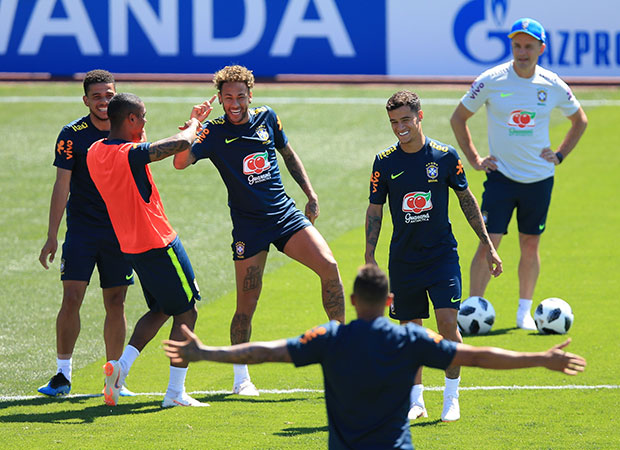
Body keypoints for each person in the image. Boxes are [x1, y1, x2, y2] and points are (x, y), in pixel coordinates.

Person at [164, 264, 586, 449]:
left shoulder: (330, 337)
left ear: (351, 299)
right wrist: (540, 359)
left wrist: (206, 352)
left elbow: (267, 351)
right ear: (389, 300)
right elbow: (476, 356)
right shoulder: (409, 340)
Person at [173, 65, 345, 396]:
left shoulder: (267, 117)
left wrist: (310, 193)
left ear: (250, 95)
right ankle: (241, 379)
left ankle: (340, 347)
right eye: (228, 98)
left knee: (330, 267)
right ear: (220, 100)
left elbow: (288, 153)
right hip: (249, 228)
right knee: (246, 305)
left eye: (240, 96)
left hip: (284, 215)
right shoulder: (213, 132)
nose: (235, 103)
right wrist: (194, 125)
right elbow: (180, 163)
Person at [364, 90, 502, 422]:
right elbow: (374, 211)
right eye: (394, 122)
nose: (400, 127)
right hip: (403, 260)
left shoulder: (444, 156)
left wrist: (489, 246)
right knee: (411, 332)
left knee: (447, 325)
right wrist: (369, 255)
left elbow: (467, 200)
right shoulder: (384, 162)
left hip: (441, 257)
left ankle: (451, 398)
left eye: (406, 120)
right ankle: (416, 400)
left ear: (420, 116)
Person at [450, 18, 588, 330]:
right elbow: (459, 118)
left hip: (539, 179)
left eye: (528, 46)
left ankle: (523, 313)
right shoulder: (491, 79)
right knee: (489, 242)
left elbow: (580, 120)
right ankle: (473, 309)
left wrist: (560, 154)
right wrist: (474, 158)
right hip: (500, 177)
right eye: (516, 45)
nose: (521, 52)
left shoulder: (552, 84)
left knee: (530, 244)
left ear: (541, 48)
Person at [86, 92, 215, 407]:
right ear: (130, 119)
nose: (145, 122)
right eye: (141, 117)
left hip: (131, 246)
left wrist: (185, 127)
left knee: (161, 309)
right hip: (159, 242)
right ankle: (174, 393)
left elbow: (148, 148)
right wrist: (196, 122)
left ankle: (120, 368)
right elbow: (180, 145)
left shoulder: (94, 152)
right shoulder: (129, 154)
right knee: (187, 310)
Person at [37, 70, 135, 397]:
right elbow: (61, 185)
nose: (104, 101)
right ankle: (62, 375)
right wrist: (52, 235)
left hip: (119, 231)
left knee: (116, 302)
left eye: (109, 95)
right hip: (81, 231)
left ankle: (114, 379)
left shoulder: (130, 129)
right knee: (71, 298)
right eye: (97, 96)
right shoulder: (72, 135)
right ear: (86, 100)